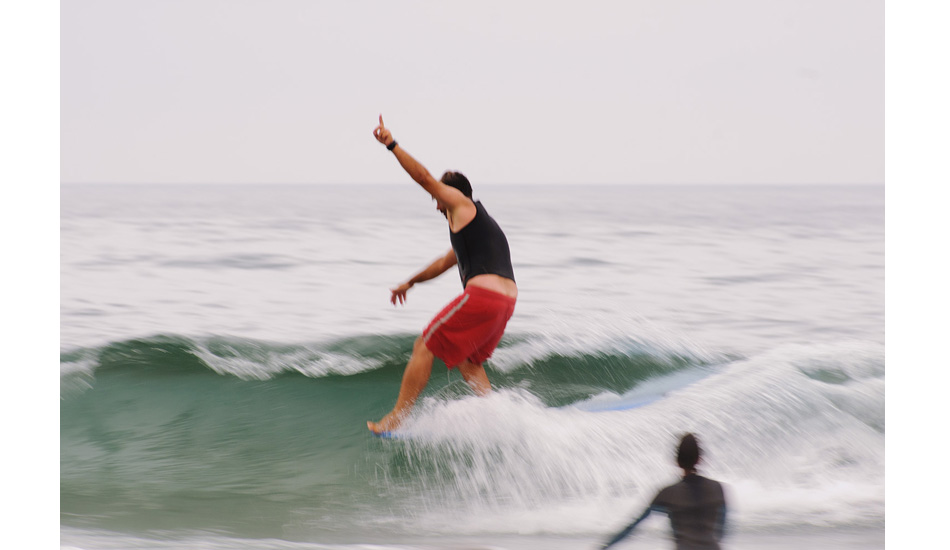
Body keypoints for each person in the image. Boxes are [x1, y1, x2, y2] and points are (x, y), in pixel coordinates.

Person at [367, 115, 518, 435]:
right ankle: (497, 419)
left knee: (425, 343)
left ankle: (397, 417)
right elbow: (443, 263)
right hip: (505, 303)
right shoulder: (473, 229)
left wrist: (391, 145)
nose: (436, 204)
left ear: (453, 194)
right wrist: (411, 282)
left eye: (438, 197)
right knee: (469, 362)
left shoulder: (462, 205)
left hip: (486, 297)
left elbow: (423, 177)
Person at [600, 433, 727, 550]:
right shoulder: (717, 488)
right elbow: (721, 531)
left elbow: (632, 527)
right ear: (699, 459)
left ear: (677, 461)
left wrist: (603, 547)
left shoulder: (668, 493)